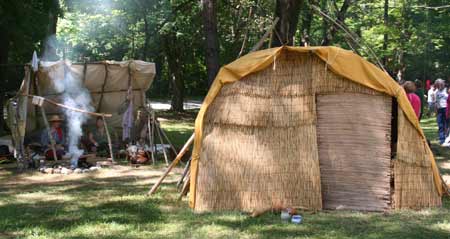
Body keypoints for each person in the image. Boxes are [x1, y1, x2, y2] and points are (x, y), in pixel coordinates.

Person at [435, 79, 448, 144]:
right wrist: (436, 111)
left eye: (440, 84)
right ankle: (442, 139)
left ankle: (447, 139)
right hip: (439, 109)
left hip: (446, 109)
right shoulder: (436, 92)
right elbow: (436, 102)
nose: (439, 86)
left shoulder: (447, 91)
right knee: (440, 124)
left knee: (447, 124)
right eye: (437, 85)